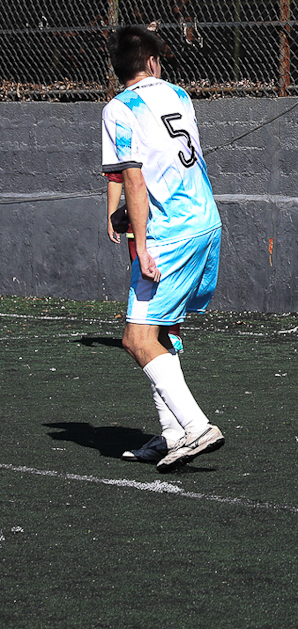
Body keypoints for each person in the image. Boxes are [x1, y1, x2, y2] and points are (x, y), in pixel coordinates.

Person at [102, 24, 226, 471]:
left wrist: (141, 243)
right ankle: (172, 434)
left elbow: (133, 179)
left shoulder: (118, 108)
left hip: (169, 234)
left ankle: (196, 426)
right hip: (204, 222)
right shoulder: (179, 94)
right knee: (159, 332)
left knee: (135, 338)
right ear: (153, 62)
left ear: (117, 69)